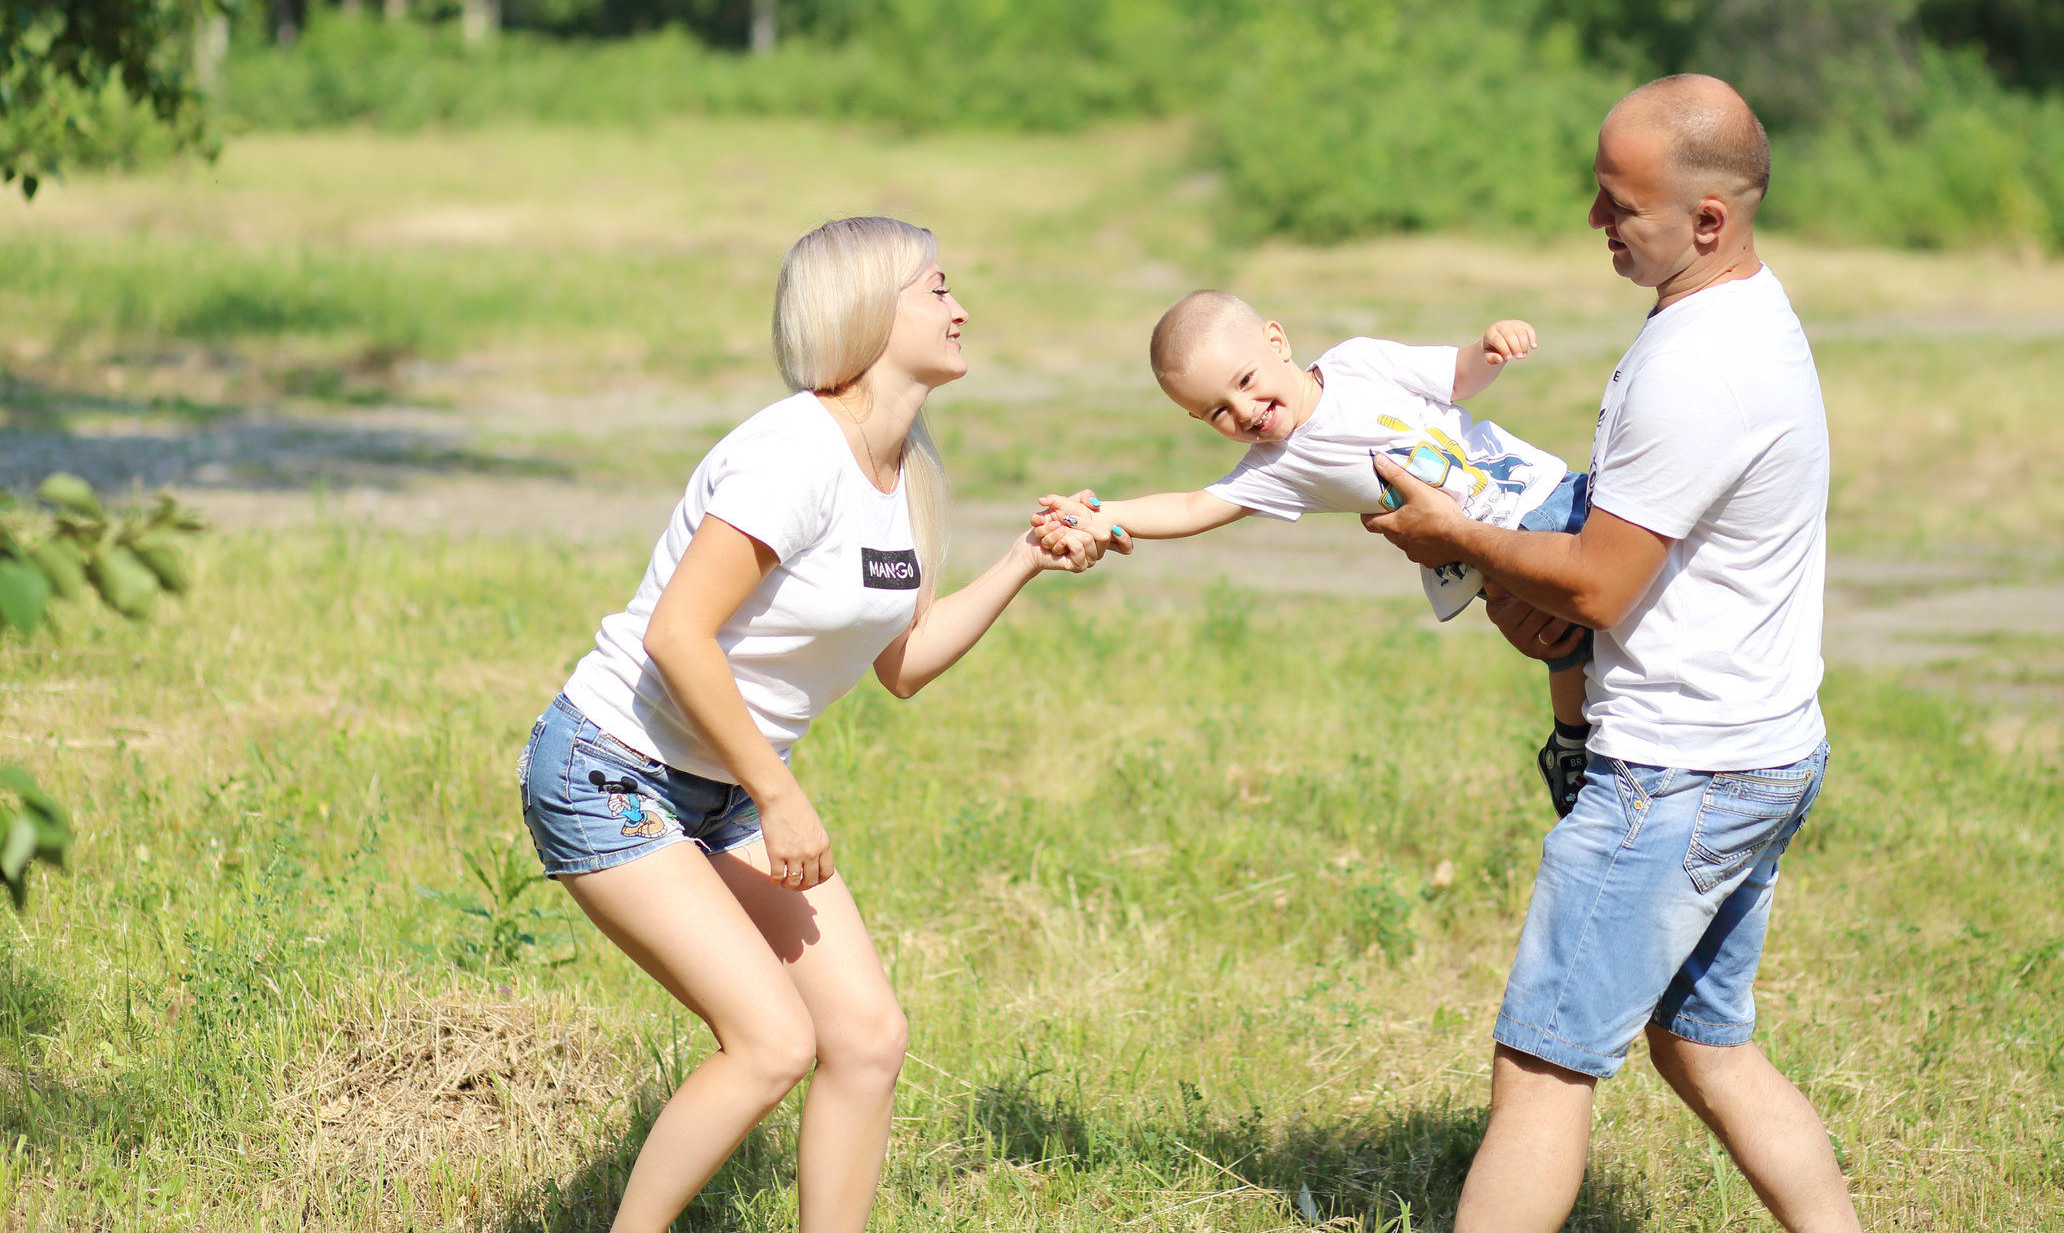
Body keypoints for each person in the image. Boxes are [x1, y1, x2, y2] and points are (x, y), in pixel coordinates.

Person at [516, 216, 1118, 1233]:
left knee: (869, 1038)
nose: (961, 307)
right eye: (935, 289)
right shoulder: (792, 453)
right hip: (612, 771)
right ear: (866, 312)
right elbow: (678, 635)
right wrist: (779, 793)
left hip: (729, 788)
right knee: (770, 1044)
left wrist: (1023, 559)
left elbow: (905, 664)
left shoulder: (907, 469)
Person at [1364, 75, 1858, 1233]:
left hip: (1675, 774)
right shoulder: (1730, 315)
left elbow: (1599, 581)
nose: (1594, 223)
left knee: (1542, 1067)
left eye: (1615, 203)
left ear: (1707, 219)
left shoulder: (1702, 361)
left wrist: (1455, 538)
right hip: (1758, 751)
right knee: (1702, 1045)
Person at [1029, 297, 1599, 811]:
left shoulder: (1358, 362)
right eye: (1217, 413)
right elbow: (1189, 508)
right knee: (1566, 638)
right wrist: (1104, 515)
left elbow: (1457, 376)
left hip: (1548, 485)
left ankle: (1577, 738)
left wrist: (1490, 346)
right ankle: (1572, 745)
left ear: (1277, 342)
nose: (1244, 410)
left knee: (1619, 572)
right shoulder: (1279, 466)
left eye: (1246, 381)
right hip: (1503, 547)